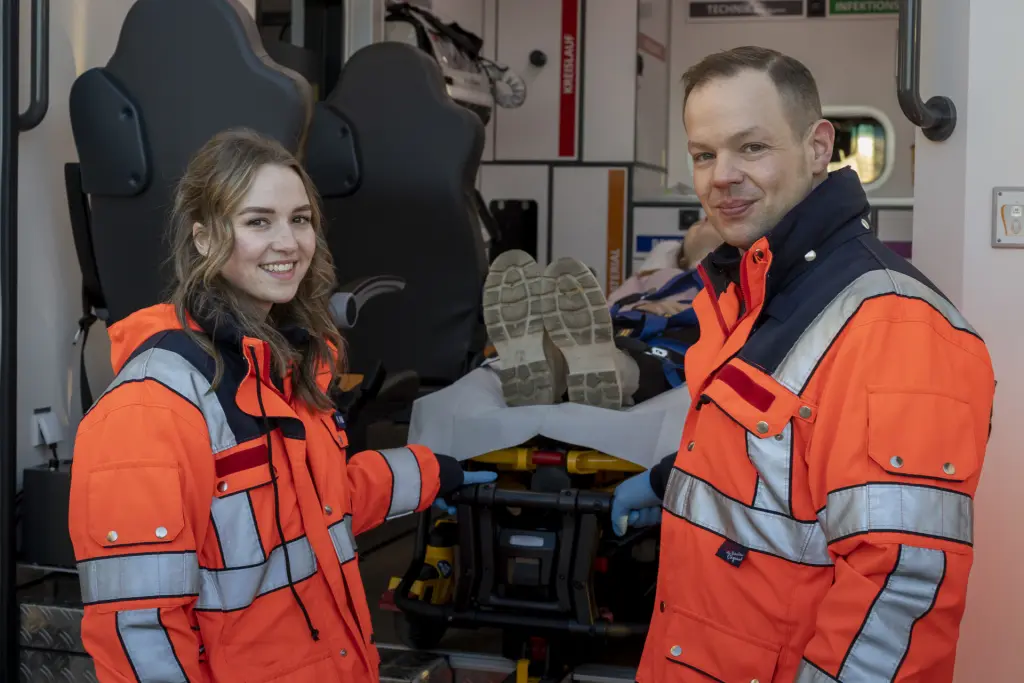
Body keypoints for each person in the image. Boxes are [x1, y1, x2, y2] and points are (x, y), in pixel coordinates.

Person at [609, 46, 994, 682]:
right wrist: (670, 482)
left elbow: (896, 594)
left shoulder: (894, 324)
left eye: (751, 148)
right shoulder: (753, 291)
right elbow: (784, 467)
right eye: (704, 154)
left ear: (818, 147)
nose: (721, 176)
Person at [66, 128, 494, 683]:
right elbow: (139, 633)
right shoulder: (150, 409)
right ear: (202, 238)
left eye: (300, 219)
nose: (288, 242)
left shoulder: (287, 372)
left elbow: (322, 502)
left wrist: (437, 472)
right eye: (258, 221)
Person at [482, 217, 720, 410]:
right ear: (682, 253)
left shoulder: (731, 277)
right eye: (697, 224)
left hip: (681, 335)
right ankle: (551, 361)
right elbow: (607, 309)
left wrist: (684, 311)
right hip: (624, 328)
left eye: (710, 221)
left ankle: (602, 370)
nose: (705, 221)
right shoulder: (649, 277)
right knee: (601, 339)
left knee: (665, 360)